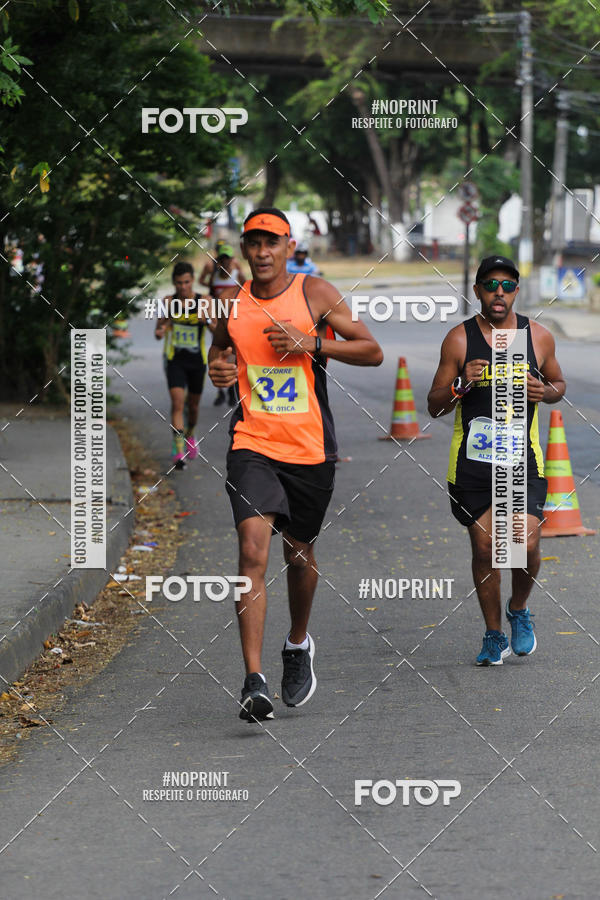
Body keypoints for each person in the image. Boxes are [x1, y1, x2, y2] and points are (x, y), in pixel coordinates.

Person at [208, 207, 383, 721]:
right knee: (250, 550)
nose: (262, 253)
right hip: (252, 444)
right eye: (253, 244)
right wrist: (218, 370)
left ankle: (299, 641)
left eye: (272, 243)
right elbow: (219, 354)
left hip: (309, 450)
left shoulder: (315, 294)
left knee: (299, 555)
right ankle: (253, 680)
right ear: (244, 249)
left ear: (288, 247)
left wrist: (313, 343)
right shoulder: (231, 306)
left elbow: (371, 350)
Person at [427, 255, 566, 665]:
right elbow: (433, 406)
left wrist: (547, 392)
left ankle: (519, 609)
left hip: (523, 461)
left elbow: (558, 382)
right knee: (487, 548)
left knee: (524, 541)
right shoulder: (458, 339)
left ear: (517, 291)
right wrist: (459, 384)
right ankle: (492, 635)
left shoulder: (538, 336)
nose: (499, 293)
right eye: (490, 285)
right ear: (477, 291)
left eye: (507, 285)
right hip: (471, 464)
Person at [155, 262, 215, 469]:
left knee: (193, 406)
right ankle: (178, 449)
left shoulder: (205, 302)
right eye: (179, 283)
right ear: (174, 282)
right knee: (178, 402)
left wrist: (205, 320)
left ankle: (190, 435)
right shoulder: (168, 302)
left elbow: (218, 332)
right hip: (175, 361)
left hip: (197, 362)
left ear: (192, 281)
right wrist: (161, 330)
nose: (183, 287)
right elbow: (158, 330)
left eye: (187, 282)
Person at [200, 243, 246, 407]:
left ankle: (232, 389)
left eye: (227, 259)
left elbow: (246, 290)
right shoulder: (214, 276)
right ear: (218, 261)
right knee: (218, 350)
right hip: (218, 316)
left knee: (233, 351)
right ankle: (220, 391)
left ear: (232, 260)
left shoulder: (236, 274)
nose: (225, 262)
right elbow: (207, 290)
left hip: (234, 316)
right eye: (222, 260)